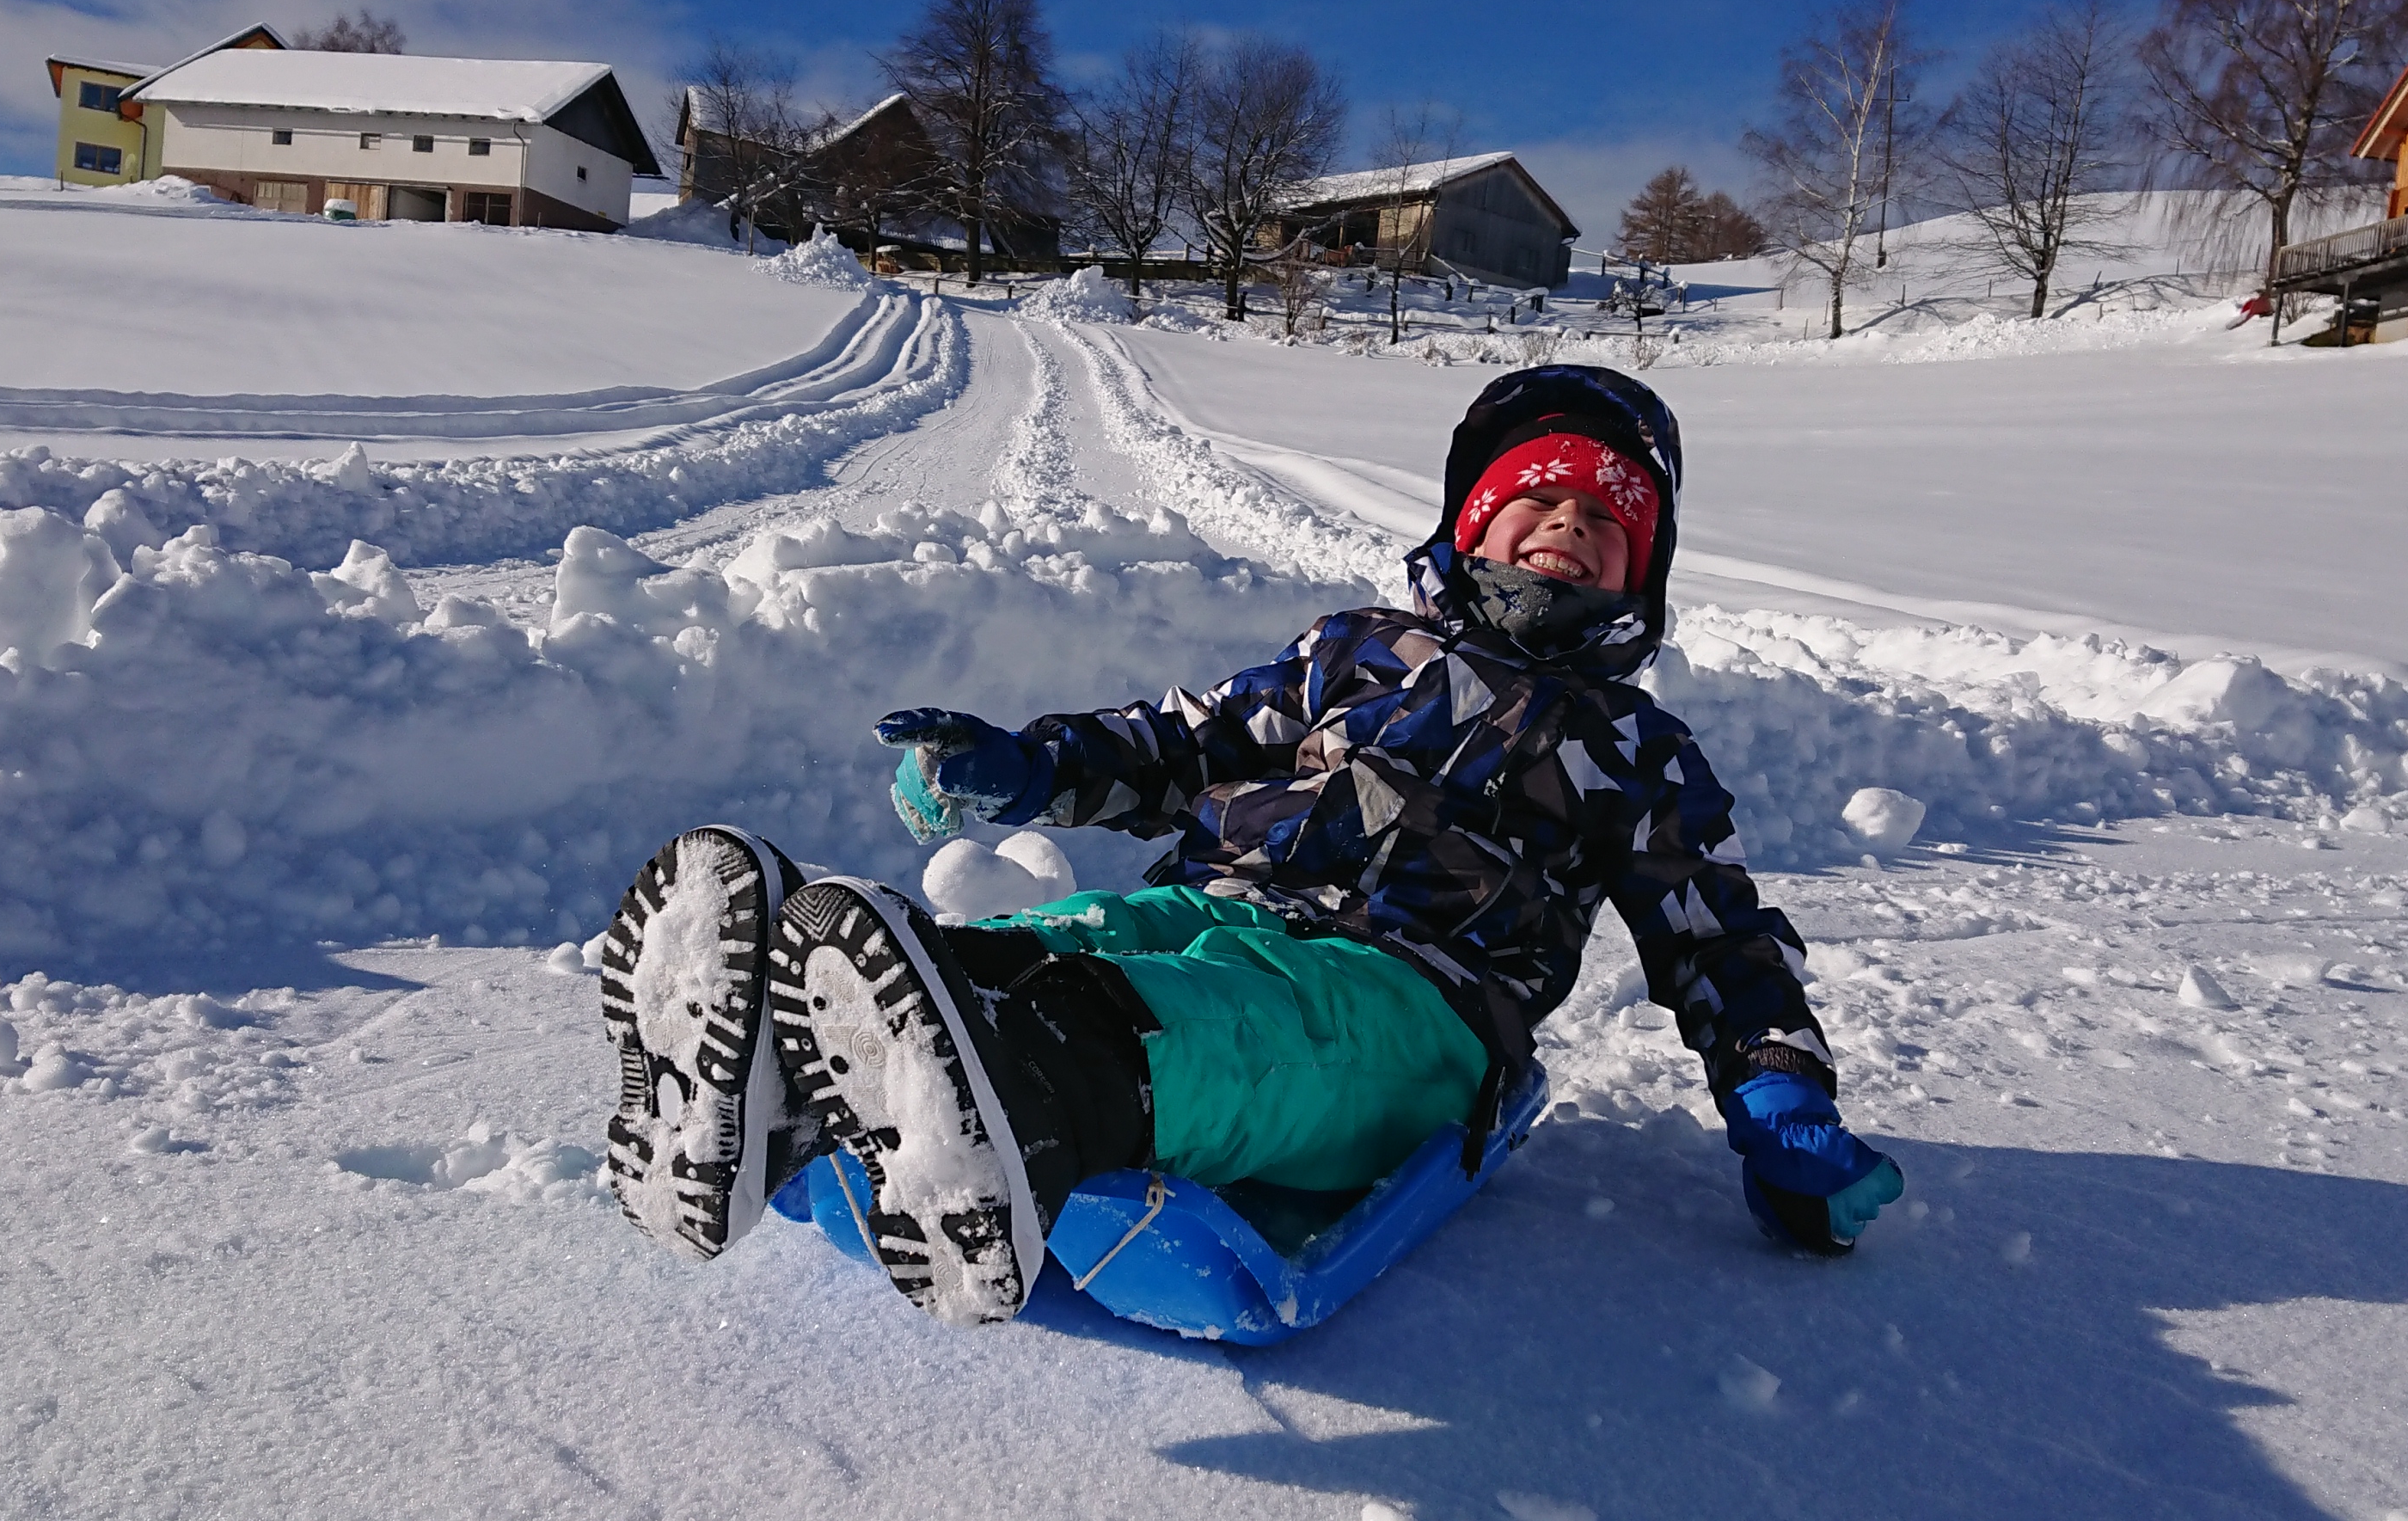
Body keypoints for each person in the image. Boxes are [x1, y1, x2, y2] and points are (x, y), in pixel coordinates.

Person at [597, 364, 1903, 1327]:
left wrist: (1780, 1095)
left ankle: (1030, 1096)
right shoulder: (1353, 651)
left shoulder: (1635, 749)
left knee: (1251, 1028)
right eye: (1538, 499)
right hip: (1213, 899)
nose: (1570, 522)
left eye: (1608, 519)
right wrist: (1039, 763)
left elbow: (1718, 938)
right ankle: (776, 1064)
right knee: (1061, 941)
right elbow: (1185, 743)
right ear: (1468, 529)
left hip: (1416, 995)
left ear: (1641, 578)